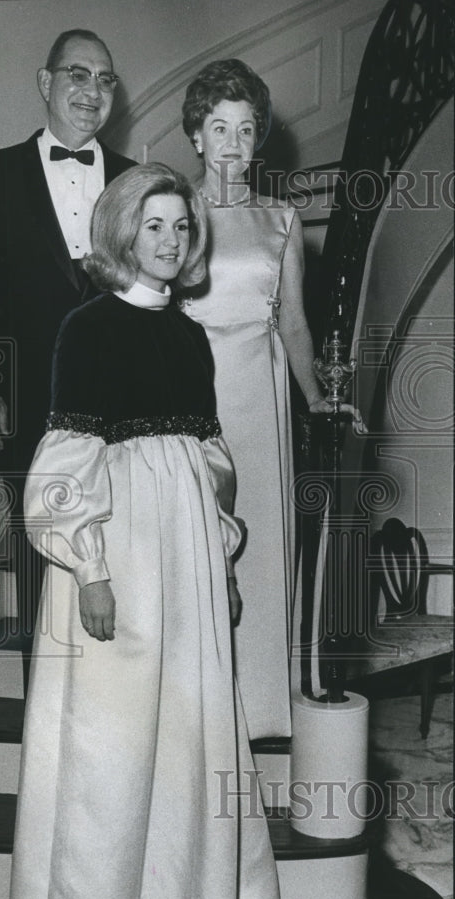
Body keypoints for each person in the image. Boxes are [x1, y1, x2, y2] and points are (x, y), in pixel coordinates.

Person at [7, 163, 280, 899]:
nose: (170, 241)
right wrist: (89, 568)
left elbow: (211, 462)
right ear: (125, 234)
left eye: (181, 227)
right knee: (113, 735)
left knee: (186, 729)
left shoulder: (191, 334)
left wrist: (221, 558)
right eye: (154, 226)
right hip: (118, 548)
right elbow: (66, 462)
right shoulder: (85, 329)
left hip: (187, 551)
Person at [181, 59, 364, 741]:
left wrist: (315, 395)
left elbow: (293, 323)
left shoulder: (282, 219)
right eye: (218, 127)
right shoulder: (169, 211)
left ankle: (260, 712)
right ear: (196, 135)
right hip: (190, 392)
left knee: (259, 547)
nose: (233, 144)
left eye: (246, 129)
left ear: (258, 140)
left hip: (259, 398)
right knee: (196, 548)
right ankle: (197, 713)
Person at [0, 28, 134, 643]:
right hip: (29, 402)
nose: (92, 90)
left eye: (104, 79)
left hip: (122, 409)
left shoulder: (138, 182)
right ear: (46, 83)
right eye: (77, 75)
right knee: (39, 559)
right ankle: (45, 726)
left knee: (121, 558)